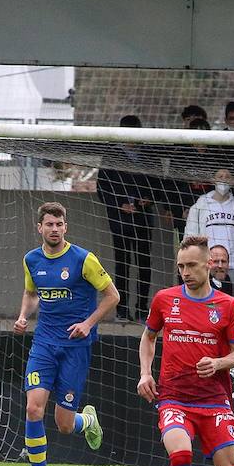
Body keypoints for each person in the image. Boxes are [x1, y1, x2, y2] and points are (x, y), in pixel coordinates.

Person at [138, 235, 234, 466]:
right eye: (181, 266)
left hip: (214, 400)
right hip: (173, 397)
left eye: (191, 265)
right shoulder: (163, 299)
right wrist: (146, 373)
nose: (185, 272)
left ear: (209, 265)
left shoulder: (228, 305)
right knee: (179, 456)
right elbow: (148, 338)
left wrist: (218, 362)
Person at [13, 202, 118, 466]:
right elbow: (32, 293)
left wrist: (88, 323)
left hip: (76, 346)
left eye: (59, 225)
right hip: (44, 343)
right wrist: (23, 315)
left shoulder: (84, 259)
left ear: (65, 227)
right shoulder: (31, 260)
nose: (55, 229)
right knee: (34, 407)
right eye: (49, 225)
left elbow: (112, 296)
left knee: (64, 424)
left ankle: (88, 421)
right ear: (40, 228)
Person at [96, 116, 155, 321]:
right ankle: (121, 310)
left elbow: (158, 184)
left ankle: (141, 309)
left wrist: (149, 199)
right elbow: (102, 188)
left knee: (144, 263)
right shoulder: (111, 154)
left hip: (143, 218)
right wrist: (120, 204)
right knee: (122, 263)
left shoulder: (148, 154)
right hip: (120, 219)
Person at [186, 168, 234, 292]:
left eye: (227, 177)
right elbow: (190, 235)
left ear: (233, 181)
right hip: (207, 266)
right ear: (213, 180)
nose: (223, 179)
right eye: (220, 176)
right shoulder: (200, 206)